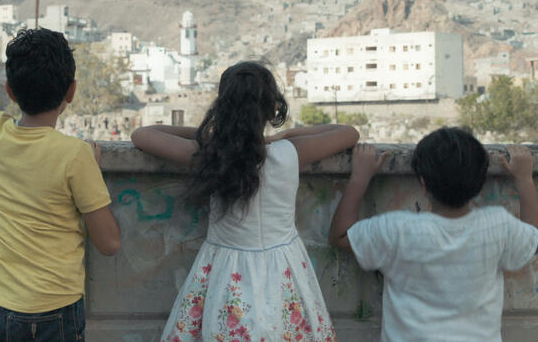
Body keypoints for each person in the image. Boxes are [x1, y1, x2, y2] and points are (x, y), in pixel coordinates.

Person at [131, 61, 359, 341]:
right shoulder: (289, 152)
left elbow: (142, 135)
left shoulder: (210, 155)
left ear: (222, 108)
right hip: (283, 268)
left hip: (225, 270)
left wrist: (213, 134)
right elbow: (349, 133)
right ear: (272, 108)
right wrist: (284, 134)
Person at [0, 28, 121, 341]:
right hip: (51, 309)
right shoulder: (76, 155)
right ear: (71, 91)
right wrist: (92, 169)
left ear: (10, 91)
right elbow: (109, 244)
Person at [329, 128, 538, 342]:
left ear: (423, 182)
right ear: (480, 181)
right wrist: (524, 179)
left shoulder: (397, 229)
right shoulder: (497, 226)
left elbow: (341, 236)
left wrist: (359, 178)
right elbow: (532, 237)